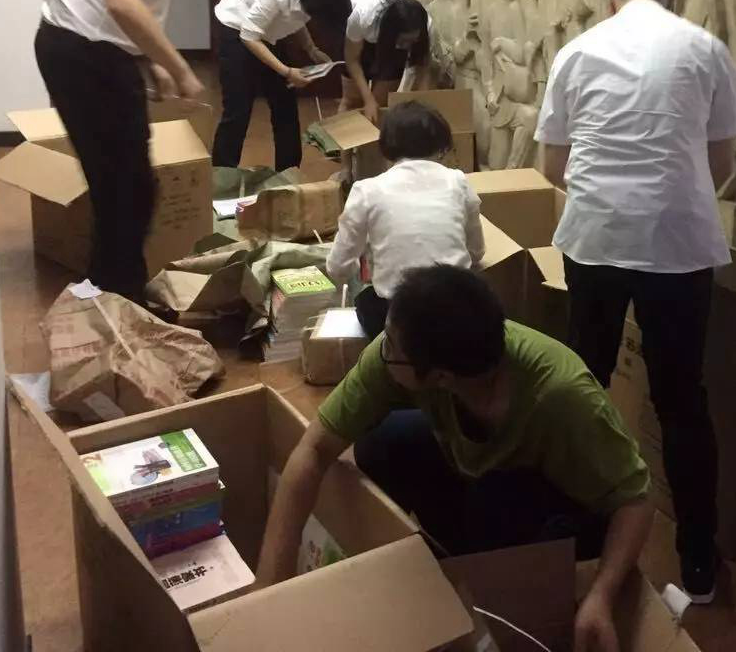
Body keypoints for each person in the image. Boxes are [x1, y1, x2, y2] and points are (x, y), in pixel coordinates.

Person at [256, 265, 653, 652]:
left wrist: (601, 595)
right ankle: (457, 561)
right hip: (480, 476)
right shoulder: (407, 351)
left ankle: (489, 578)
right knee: (383, 443)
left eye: (391, 347)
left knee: (496, 501)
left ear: (441, 377)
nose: (382, 350)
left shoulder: (563, 396)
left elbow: (635, 500)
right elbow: (313, 450)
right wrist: (270, 590)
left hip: (557, 510)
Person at [534, 0, 736, 604]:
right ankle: (698, 564)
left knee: (585, 384)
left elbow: (551, 168)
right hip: (678, 243)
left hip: (595, 236)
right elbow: (723, 163)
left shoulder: (578, 51)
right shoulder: (704, 47)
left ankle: (576, 540)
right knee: (682, 399)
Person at [34, 0, 239, 303]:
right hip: (83, 57)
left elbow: (126, 4)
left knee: (125, 185)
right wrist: (179, 67)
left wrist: (147, 60)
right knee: (125, 188)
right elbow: (121, 1)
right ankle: (117, 297)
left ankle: (108, 291)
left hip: (93, 52)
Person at [325, 101, 485, 339]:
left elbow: (337, 267)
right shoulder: (457, 181)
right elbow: (476, 252)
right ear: (442, 146)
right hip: (456, 309)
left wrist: (363, 265)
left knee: (365, 299)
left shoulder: (366, 190)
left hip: (399, 314)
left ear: (386, 147)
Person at [211, 0, 351, 171]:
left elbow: (294, 18)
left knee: (285, 106)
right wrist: (286, 71)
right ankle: (222, 175)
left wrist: (311, 49)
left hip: (265, 34)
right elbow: (248, 36)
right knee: (238, 110)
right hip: (236, 29)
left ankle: (288, 173)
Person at [340, 0, 433, 124]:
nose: (408, 46)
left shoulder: (426, 26)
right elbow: (352, 60)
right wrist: (368, 99)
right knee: (353, 101)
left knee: (379, 106)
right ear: (392, 34)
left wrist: (421, 106)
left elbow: (423, 70)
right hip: (364, 37)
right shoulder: (363, 17)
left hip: (390, 41)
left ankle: (372, 137)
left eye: (413, 41)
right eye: (404, 41)